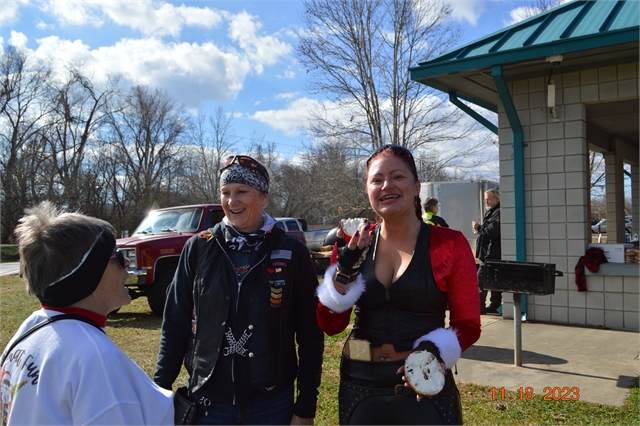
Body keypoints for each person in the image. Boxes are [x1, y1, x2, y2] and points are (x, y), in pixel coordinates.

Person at [315, 145, 481, 425]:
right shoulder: (353, 243)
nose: (386, 186)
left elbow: (467, 325)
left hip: (423, 381)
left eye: (397, 177)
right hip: (359, 383)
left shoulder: (449, 244)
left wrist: (433, 350)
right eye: (376, 180)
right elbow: (331, 325)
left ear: (416, 187)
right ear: (367, 190)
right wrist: (344, 271)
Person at [154, 155, 324, 425]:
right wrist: (159, 392)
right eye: (226, 192)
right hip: (208, 403)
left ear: (264, 197)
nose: (232, 202)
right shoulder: (198, 248)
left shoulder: (293, 253)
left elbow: (310, 334)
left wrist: (305, 406)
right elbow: (175, 322)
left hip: (271, 402)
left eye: (242, 192)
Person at [1, 201, 174, 425]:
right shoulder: (95, 359)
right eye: (118, 256)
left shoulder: (31, 327)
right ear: (89, 274)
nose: (127, 262)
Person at [472, 188, 502, 314]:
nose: (487, 202)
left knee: (480, 280)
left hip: (493, 254)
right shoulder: (491, 212)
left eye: (488, 199)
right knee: (494, 281)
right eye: (485, 200)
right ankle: (493, 306)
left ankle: (479, 307)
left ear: (497, 199)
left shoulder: (499, 212)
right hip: (488, 253)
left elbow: (493, 230)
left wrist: (479, 227)